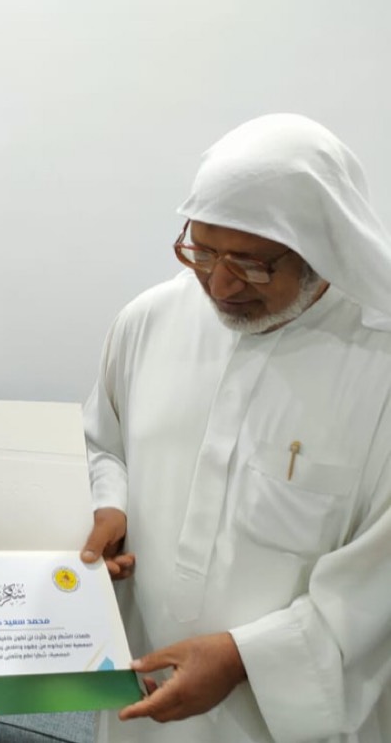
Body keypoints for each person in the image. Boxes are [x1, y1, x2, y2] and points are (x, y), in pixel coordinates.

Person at [80, 114, 391, 742]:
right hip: (142, 695)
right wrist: (109, 503)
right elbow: (101, 445)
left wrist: (243, 659)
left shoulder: (377, 366)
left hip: (287, 719)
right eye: (201, 250)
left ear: (322, 246)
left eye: (251, 265)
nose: (219, 284)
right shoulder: (149, 322)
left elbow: (378, 579)